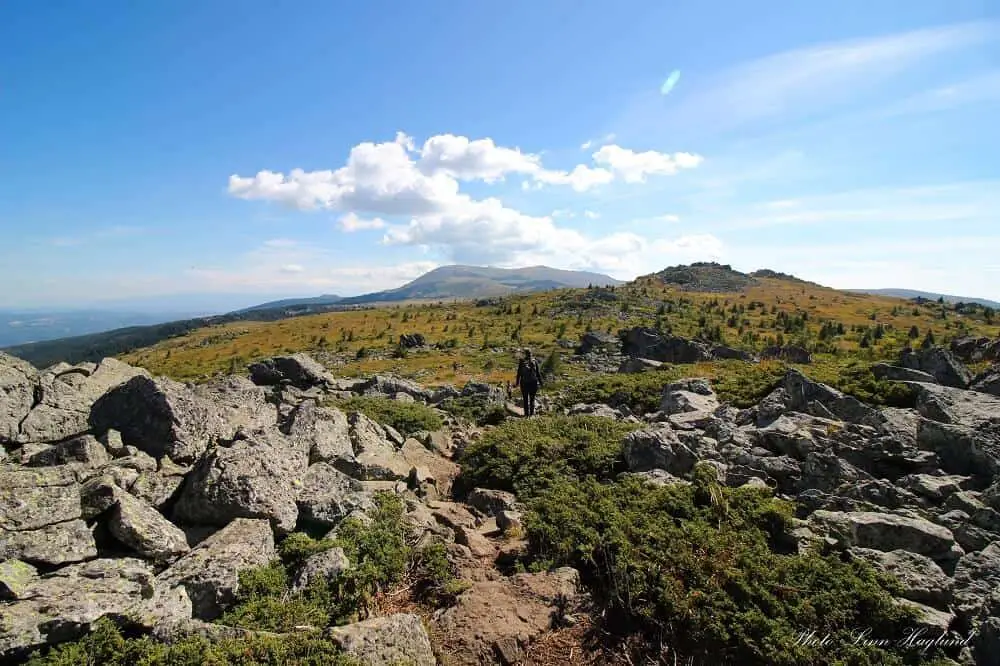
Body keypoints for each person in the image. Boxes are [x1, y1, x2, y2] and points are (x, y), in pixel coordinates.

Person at [514, 348, 543, 417]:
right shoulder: (534, 361)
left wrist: (517, 383)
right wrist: (541, 383)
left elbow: (519, 373)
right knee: (532, 399)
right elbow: (538, 373)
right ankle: (531, 414)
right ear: (531, 354)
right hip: (533, 383)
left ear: (525, 354)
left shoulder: (522, 362)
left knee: (525, 400)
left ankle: (526, 415)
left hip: (524, 383)